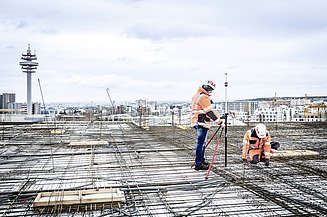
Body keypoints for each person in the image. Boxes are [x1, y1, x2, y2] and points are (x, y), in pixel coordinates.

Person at [191, 80, 223, 170]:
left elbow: (209, 110)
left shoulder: (198, 95)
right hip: (201, 122)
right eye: (210, 89)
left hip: (197, 121)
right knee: (200, 143)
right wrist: (218, 121)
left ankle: (201, 160)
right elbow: (208, 111)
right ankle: (198, 164)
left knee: (202, 143)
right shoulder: (203, 97)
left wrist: (219, 117)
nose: (211, 91)